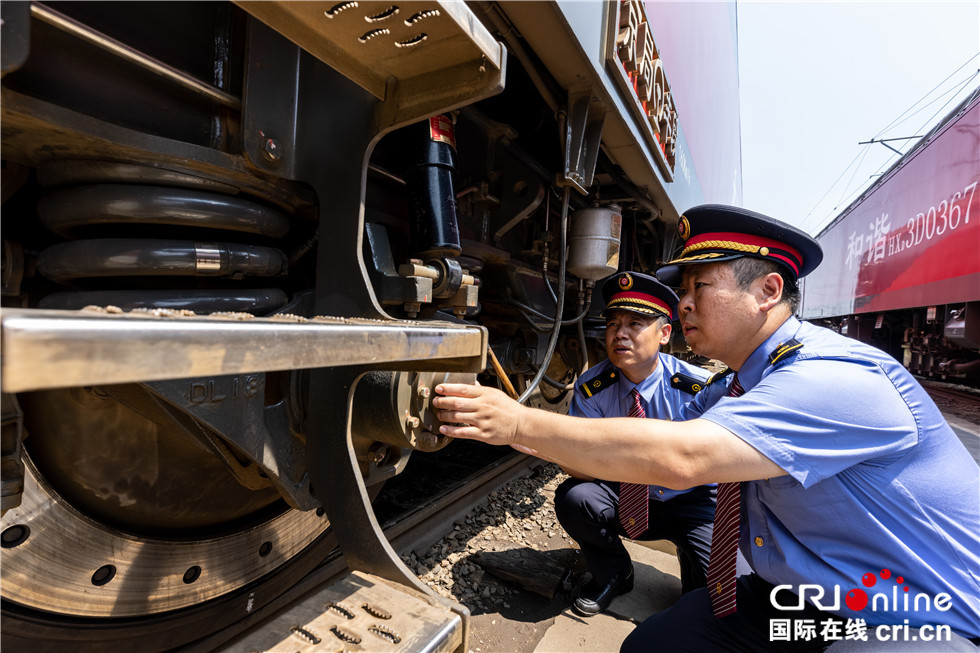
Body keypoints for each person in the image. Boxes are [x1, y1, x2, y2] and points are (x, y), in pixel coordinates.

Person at [434, 204, 980, 651]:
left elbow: (685, 457)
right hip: (803, 602)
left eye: (699, 286)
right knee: (655, 646)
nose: (685, 304)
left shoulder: (833, 379)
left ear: (767, 291)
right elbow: (629, 448)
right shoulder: (741, 383)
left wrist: (515, 421)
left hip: (911, 618)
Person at [557, 271, 714, 617]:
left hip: (688, 497)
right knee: (574, 498)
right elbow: (583, 458)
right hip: (624, 494)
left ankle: (693, 564)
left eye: (635, 323)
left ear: (664, 334)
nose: (620, 334)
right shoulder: (592, 386)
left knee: (709, 602)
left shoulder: (696, 389)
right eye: (613, 324)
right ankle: (615, 572)